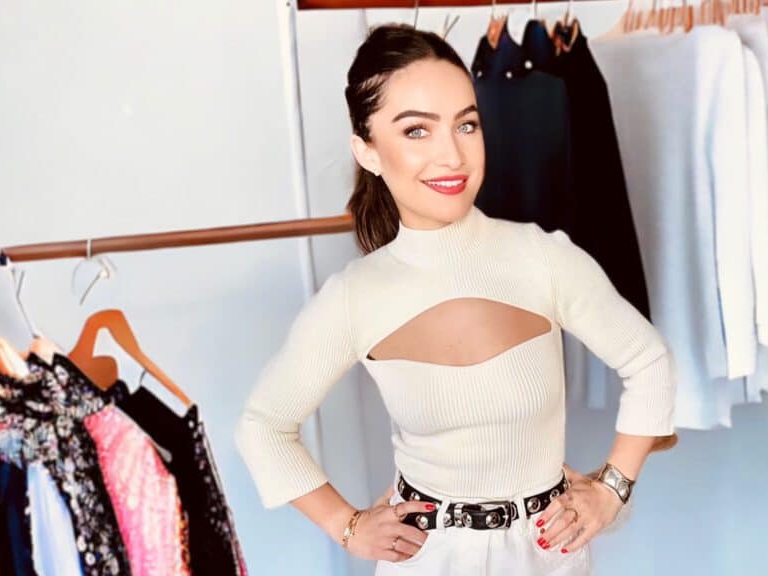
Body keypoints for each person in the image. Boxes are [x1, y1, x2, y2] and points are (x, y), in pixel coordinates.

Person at [236, 23, 678, 575]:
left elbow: (649, 361)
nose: (452, 155)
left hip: (550, 556)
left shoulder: (544, 258)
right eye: (416, 131)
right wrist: (345, 526)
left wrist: (612, 490)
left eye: (466, 125)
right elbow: (263, 426)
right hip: (428, 560)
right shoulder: (355, 298)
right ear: (368, 150)